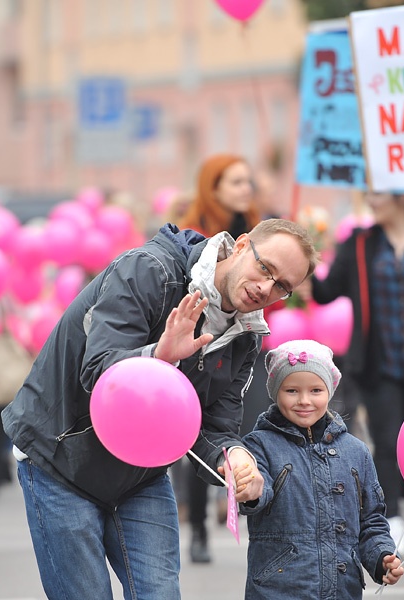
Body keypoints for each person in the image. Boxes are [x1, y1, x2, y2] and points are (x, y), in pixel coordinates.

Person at [2, 218, 318, 599]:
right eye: (265, 267)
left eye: (283, 286)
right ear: (240, 245)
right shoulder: (150, 270)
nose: (266, 288)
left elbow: (214, 425)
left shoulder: (247, 335)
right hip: (60, 458)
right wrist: (158, 357)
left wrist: (232, 457)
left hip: (141, 474)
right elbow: (97, 370)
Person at [309, 190, 404, 555]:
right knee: (388, 441)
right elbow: (326, 292)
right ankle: (391, 518)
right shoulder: (360, 244)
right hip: (380, 364)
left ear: (402, 196)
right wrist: (307, 255)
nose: (371, 200)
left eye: (379, 194)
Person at [240, 339, 404, 599]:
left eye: (316, 390)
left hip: (342, 589)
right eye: (291, 390)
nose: (304, 401)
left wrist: (381, 557)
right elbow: (257, 494)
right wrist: (251, 490)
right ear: (275, 391)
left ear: (330, 391)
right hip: (278, 590)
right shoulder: (259, 444)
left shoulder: (356, 451)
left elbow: (372, 520)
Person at [176, 153, 260, 563]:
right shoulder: (197, 235)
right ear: (214, 188)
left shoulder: (262, 234)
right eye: (236, 182)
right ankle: (197, 530)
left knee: (230, 427)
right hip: (198, 343)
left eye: (249, 181)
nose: (246, 189)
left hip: (242, 345)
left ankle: (234, 495)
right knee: (195, 427)